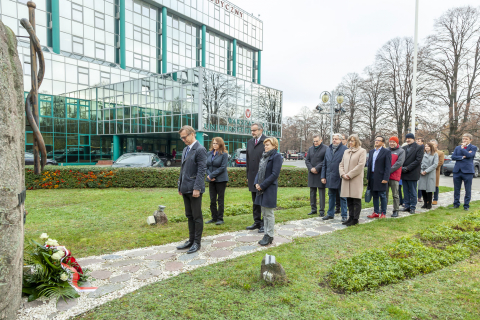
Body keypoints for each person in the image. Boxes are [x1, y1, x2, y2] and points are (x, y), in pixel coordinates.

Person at [176, 126, 207, 254]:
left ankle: (197, 242)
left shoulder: (200, 149)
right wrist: (180, 185)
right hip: (185, 188)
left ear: (192, 134)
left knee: (196, 216)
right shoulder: (185, 149)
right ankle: (191, 239)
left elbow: (201, 171)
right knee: (189, 215)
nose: (183, 140)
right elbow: (183, 170)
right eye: (181, 138)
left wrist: (197, 187)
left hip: (194, 189)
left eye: (185, 137)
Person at [254, 138, 282, 246]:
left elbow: (274, 174)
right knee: (264, 213)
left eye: (268, 145)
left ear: (274, 146)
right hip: (261, 188)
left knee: (269, 213)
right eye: (265, 145)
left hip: (269, 188)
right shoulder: (264, 156)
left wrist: (262, 185)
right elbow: (259, 171)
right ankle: (266, 233)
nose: (265, 147)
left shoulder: (277, 156)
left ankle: (269, 235)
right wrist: (256, 183)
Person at [340, 134, 367, 226]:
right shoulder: (346, 151)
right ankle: (350, 217)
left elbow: (360, 165)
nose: (350, 142)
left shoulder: (362, 151)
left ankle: (355, 219)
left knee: (356, 199)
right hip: (346, 179)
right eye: (350, 141)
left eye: (352, 141)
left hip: (355, 179)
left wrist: (349, 174)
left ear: (357, 141)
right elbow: (341, 164)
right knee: (349, 199)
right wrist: (343, 174)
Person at [321, 133, 348, 222]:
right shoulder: (328, 149)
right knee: (331, 196)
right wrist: (323, 176)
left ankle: (344, 215)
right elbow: (324, 164)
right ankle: (330, 214)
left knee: (343, 197)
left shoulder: (345, 149)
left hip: (340, 177)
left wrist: (344, 174)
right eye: (333, 138)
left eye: (336, 139)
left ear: (340, 140)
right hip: (330, 177)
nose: (334, 140)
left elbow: (346, 164)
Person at [246, 123, 267, 232]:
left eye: (254, 130)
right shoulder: (249, 142)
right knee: (255, 200)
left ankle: (264, 223)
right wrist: (248, 175)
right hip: (252, 176)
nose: (252, 132)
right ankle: (257, 221)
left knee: (263, 200)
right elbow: (248, 160)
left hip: (263, 176)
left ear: (260, 130)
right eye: (251, 130)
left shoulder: (267, 141)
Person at [449, 133, 478, 211]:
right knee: (456, 189)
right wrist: (462, 157)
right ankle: (456, 204)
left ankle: (466, 205)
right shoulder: (457, 147)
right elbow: (453, 157)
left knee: (467, 189)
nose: (464, 140)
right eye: (463, 139)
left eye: (466, 139)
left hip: (468, 171)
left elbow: (470, 156)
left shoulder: (473, 147)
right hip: (457, 171)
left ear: (470, 140)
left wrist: (463, 149)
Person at [366, 136, 392, 219]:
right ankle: (376, 212)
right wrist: (368, 177)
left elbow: (388, 167)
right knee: (375, 195)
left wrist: (386, 178)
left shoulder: (386, 152)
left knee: (382, 195)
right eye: (376, 140)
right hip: (372, 175)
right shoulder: (371, 152)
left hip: (381, 177)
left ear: (383, 142)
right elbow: (369, 165)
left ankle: (383, 213)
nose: (376, 141)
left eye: (378, 140)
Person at [205, 137, 229, 225]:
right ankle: (214, 217)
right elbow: (206, 166)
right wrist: (209, 175)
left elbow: (223, 167)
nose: (215, 145)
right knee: (212, 200)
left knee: (220, 199)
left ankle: (220, 218)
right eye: (214, 143)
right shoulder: (208, 154)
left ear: (221, 144)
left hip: (221, 180)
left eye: (217, 143)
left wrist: (212, 175)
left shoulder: (224, 154)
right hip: (211, 180)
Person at [400, 133, 424, 214]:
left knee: (413, 191)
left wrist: (407, 168)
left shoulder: (419, 147)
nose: (407, 140)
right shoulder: (404, 148)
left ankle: (413, 207)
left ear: (413, 139)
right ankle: (406, 206)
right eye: (406, 138)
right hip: (404, 173)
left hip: (412, 172)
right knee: (405, 190)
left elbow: (418, 160)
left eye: (409, 138)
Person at [305, 135, 327, 216]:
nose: (315, 143)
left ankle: (322, 211)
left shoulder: (325, 148)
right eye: (314, 141)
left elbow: (325, 160)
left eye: (317, 141)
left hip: (320, 173)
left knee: (321, 193)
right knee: (312, 193)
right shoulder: (310, 149)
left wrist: (317, 168)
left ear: (321, 140)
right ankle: (313, 209)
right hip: (312, 173)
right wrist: (311, 168)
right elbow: (307, 160)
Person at [386, 136, 405, 217]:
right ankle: (383, 208)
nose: (391, 143)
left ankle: (396, 210)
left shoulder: (401, 151)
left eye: (393, 142)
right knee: (384, 193)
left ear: (397, 143)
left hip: (394, 175)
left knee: (395, 194)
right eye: (390, 142)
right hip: (385, 176)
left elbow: (399, 163)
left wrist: (388, 170)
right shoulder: (386, 150)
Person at [418, 142, 439, 209]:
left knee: (429, 189)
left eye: (428, 146)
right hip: (422, 173)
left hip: (430, 173)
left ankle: (429, 203)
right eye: (426, 146)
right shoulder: (423, 154)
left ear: (431, 147)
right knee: (423, 188)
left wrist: (426, 171)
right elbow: (420, 163)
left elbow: (435, 164)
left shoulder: (435, 155)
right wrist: (421, 171)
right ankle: (425, 203)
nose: (426, 147)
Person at [430, 140, 444, 205]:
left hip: (435, 171)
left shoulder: (440, 153)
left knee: (435, 185)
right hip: (428, 171)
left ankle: (435, 199)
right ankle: (428, 199)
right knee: (428, 185)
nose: (432, 145)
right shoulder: (428, 152)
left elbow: (440, 162)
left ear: (436, 145)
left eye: (433, 144)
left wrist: (432, 167)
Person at [416, 137, 425, 202]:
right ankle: (418, 196)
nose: (417, 142)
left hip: (422, 168)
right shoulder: (415, 148)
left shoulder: (423, 149)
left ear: (422, 142)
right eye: (417, 141)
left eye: (419, 141)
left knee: (421, 183)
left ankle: (420, 196)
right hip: (416, 168)